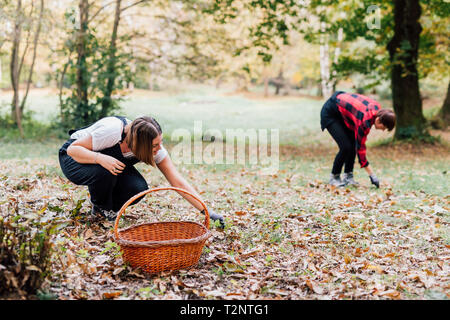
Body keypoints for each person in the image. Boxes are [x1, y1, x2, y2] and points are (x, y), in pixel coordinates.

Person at [58, 115, 225, 227]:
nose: (159, 148)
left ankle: (106, 208)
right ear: (140, 144)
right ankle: (101, 207)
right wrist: (100, 158)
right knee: (105, 171)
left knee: (138, 188)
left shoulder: (154, 147)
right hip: (73, 158)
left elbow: (176, 180)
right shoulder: (112, 131)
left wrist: (207, 212)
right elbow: (73, 150)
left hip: (107, 165)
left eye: (160, 142)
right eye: (154, 145)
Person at [320, 91, 396, 187]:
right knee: (346, 147)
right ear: (378, 120)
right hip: (331, 113)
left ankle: (348, 176)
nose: (383, 130)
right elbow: (360, 149)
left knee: (352, 144)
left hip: (344, 115)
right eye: (384, 127)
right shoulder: (365, 120)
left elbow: (356, 145)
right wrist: (372, 175)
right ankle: (334, 177)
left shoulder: (377, 110)